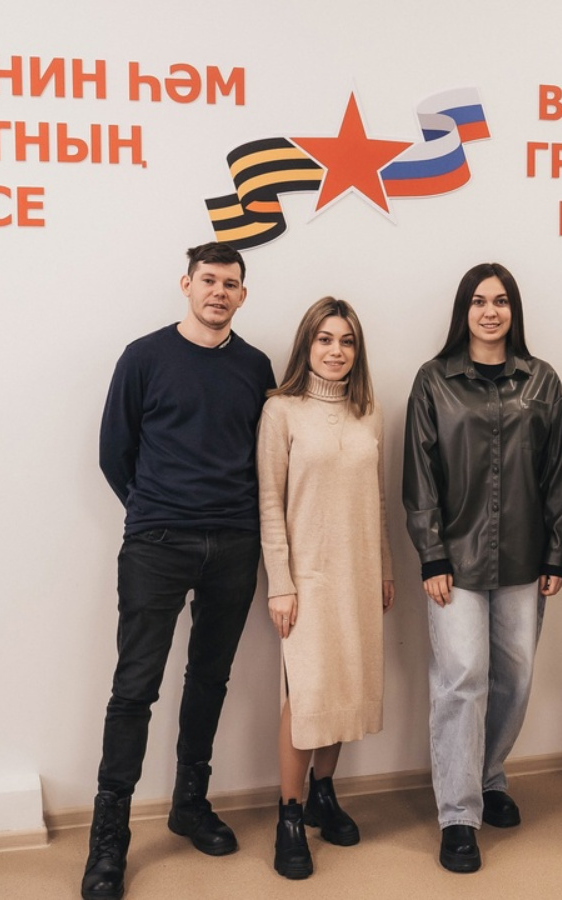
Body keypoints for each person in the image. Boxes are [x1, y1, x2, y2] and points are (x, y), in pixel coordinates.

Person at [82, 243, 276, 900]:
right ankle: (109, 835)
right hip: (157, 542)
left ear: (243, 295)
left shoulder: (255, 367)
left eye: (231, 284)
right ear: (186, 284)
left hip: (235, 541)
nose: (219, 292)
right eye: (209, 280)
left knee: (210, 677)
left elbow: (263, 454)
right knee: (134, 688)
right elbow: (114, 452)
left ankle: (190, 803)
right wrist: (155, 509)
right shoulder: (144, 357)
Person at [402, 262, 562, 874]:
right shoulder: (434, 380)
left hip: (525, 558)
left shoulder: (542, 381)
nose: (490, 311)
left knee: (516, 678)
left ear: (513, 311)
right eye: (478, 301)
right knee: (462, 678)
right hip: (454, 560)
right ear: (464, 311)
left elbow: (558, 472)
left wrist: (557, 551)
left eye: (500, 301)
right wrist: (431, 553)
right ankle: (458, 815)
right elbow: (420, 476)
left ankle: (488, 773)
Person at [256, 297, 395, 880]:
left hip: (358, 574)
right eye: (325, 339)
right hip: (307, 579)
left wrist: (384, 567)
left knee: (346, 686)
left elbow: (378, 498)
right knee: (307, 694)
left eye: (347, 341)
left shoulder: (369, 413)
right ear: (307, 345)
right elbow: (269, 502)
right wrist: (280, 584)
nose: (336, 351)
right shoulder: (281, 411)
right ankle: (289, 816)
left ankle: (323, 793)